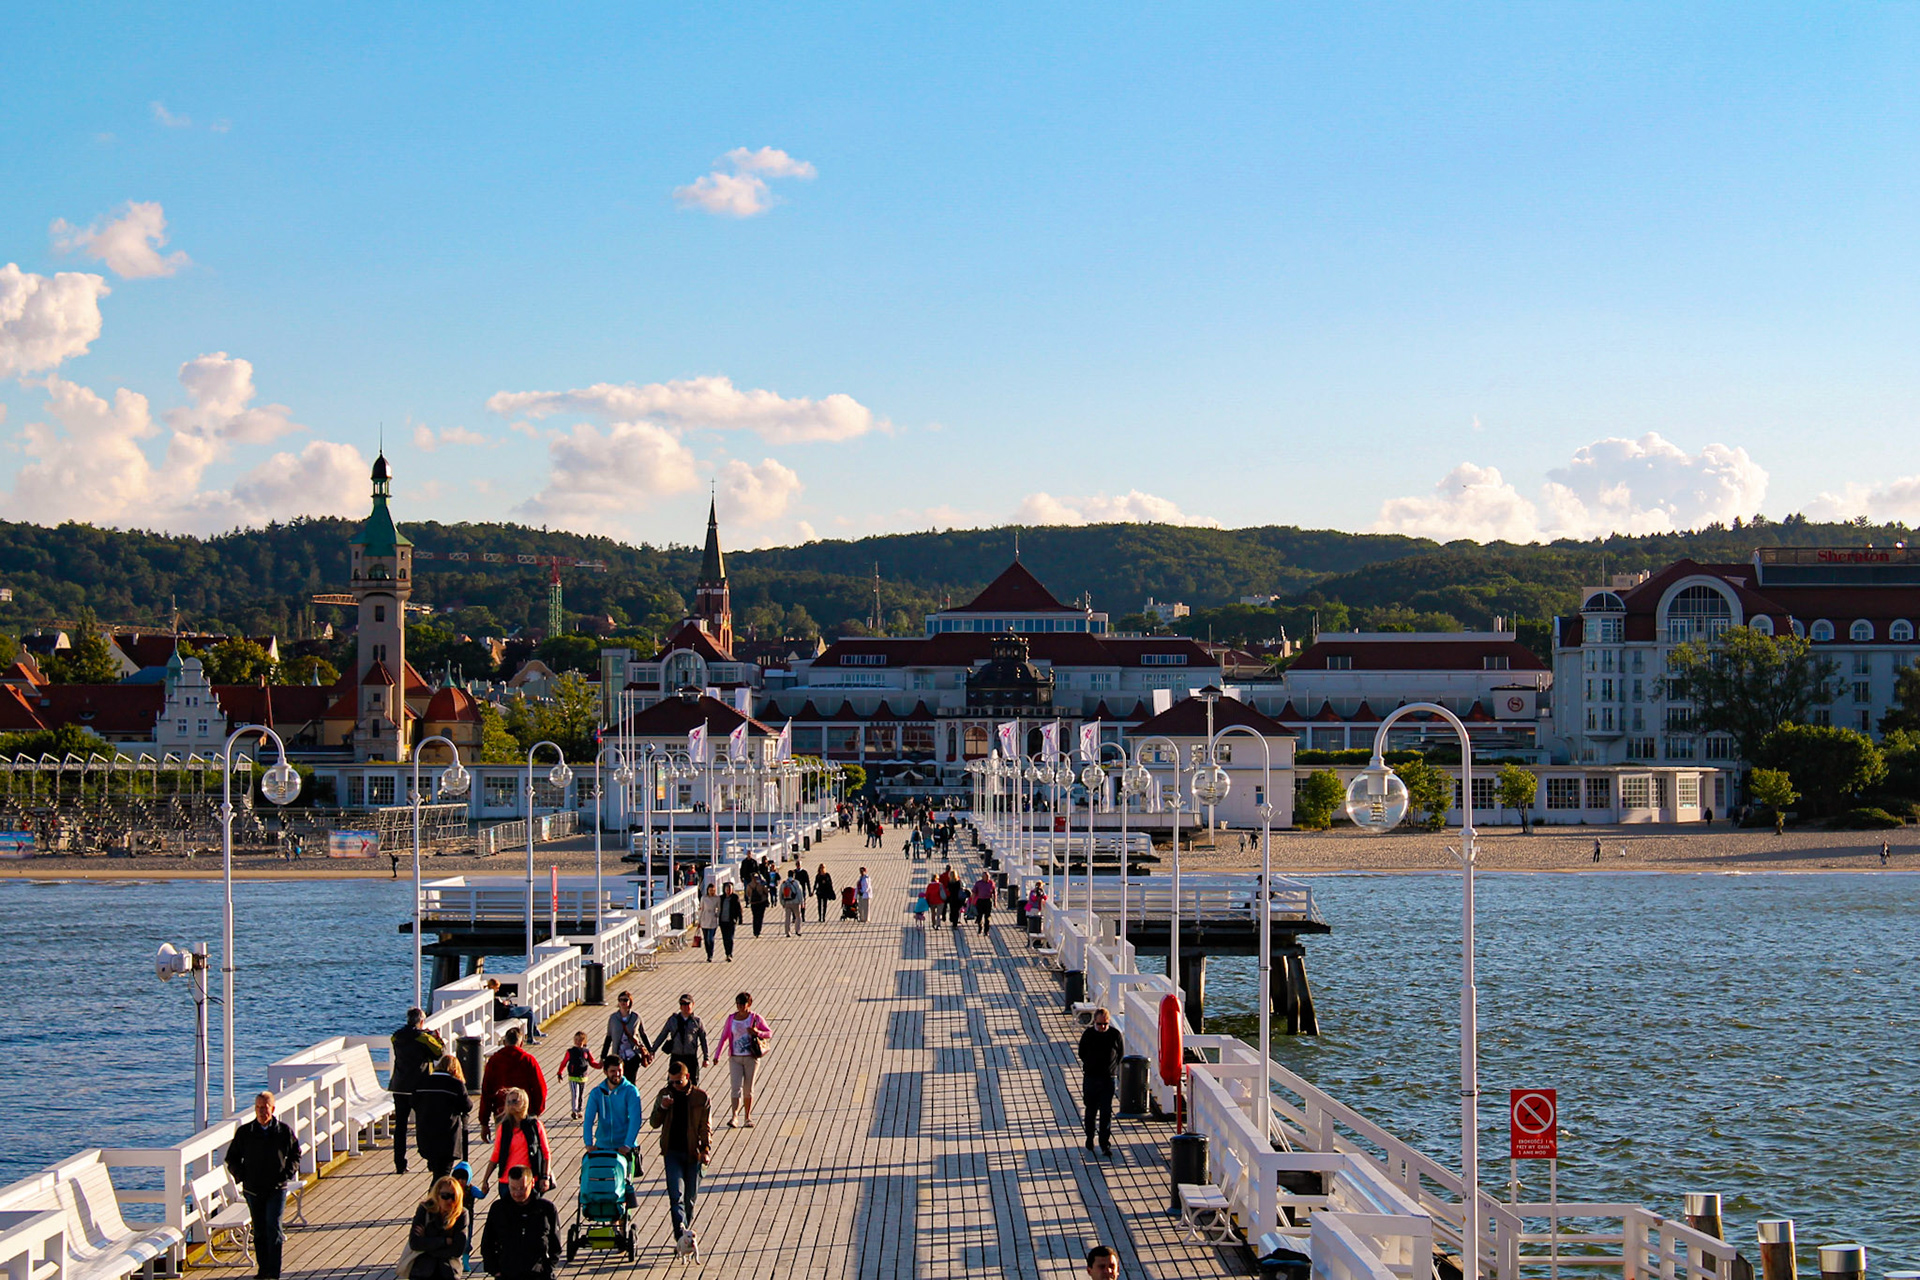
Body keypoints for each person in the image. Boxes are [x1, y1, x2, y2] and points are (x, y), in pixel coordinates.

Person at [224, 1091, 300, 1280]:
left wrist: (286, 1174)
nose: (261, 1112)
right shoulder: (246, 1132)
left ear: (272, 1109)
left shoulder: (283, 1131)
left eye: (264, 1108)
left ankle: (273, 1273)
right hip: (253, 1189)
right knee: (259, 1231)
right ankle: (263, 1269)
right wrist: (242, 1176)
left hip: (276, 1188)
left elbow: (295, 1154)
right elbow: (231, 1158)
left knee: (273, 1228)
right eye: (258, 1108)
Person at [649, 1059, 713, 1256]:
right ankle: (680, 1237)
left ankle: (685, 1232)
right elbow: (653, 1123)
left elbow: (705, 1126)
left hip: (693, 1153)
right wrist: (663, 1108)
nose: (674, 1085)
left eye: (677, 1081)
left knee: (690, 1198)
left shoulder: (700, 1098)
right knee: (676, 1196)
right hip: (672, 1153)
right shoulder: (664, 1095)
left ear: (687, 1077)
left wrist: (706, 1149)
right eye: (671, 1081)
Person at [391, 1008, 446, 1175]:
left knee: (400, 1127)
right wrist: (436, 1037)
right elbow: (439, 1052)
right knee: (424, 1124)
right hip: (419, 1086)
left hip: (399, 1086)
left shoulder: (396, 1036)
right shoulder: (423, 1037)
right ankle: (430, 1161)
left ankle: (400, 1163)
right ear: (421, 1021)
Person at [480, 1166, 560, 1280]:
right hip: (507, 1274)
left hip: (539, 1274)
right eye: (513, 1188)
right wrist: (495, 1271)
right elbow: (487, 1243)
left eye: (522, 1188)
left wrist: (548, 1268)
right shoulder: (499, 1209)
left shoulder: (546, 1209)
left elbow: (555, 1245)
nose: (517, 1193)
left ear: (532, 1183)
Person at [711, 991, 771, 1128]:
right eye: (738, 1004)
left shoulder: (755, 1018)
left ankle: (747, 1117)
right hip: (735, 1057)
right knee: (735, 1087)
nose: (740, 1007)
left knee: (748, 1089)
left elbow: (769, 1033)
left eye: (742, 1004)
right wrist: (717, 1055)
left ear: (749, 1004)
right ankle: (734, 1116)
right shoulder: (731, 1018)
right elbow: (724, 1037)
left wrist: (757, 1032)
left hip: (751, 1057)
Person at [583, 1057, 646, 1181]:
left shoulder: (631, 1091)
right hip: (603, 1146)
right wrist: (589, 1144)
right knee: (601, 1186)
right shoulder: (597, 1093)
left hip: (624, 1147)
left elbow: (635, 1119)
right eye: (612, 1071)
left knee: (626, 1187)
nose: (617, 1074)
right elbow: (588, 1119)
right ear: (605, 1072)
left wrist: (627, 1145)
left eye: (619, 1070)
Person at [479, 1027, 547, 1141]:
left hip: (502, 1112)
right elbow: (540, 1088)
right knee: (524, 1148)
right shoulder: (528, 1060)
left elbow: (486, 1092)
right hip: (524, 1111)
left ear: (505, 1042)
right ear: (521, 1043)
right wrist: (536, 1111)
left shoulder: (494, 1061)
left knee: (504, 1150)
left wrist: (484, 1122)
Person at [479, 1087, 551, 1195]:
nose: (511, 1104)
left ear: (524, 1102)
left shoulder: (535, 1125)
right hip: (507, 1181)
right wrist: (485, 1179)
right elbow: (496, 1155)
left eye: (515, 1101)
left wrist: (545, 1177)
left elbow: (546, 1154)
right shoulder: (504, 1128)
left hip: (530, 1181)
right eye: (508, 1101)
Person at [413, 1054, 473, 1178]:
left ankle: (434, 1193)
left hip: (426, 1135)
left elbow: (413, 1102)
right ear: (455, 1070)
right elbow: (467, 1106)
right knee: (442, 1176)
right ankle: (432, 1197)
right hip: (447, 1138)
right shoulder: (455, 1085)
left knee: (438, 1171)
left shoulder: (422, 1082)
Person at [1077, 1007, 1125, 1157]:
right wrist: (1090, 1065)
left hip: (1108, 1079)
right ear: (1094, 1022)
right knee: (1090, 1110)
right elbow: (1081, 1052)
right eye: (1099, 1024)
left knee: (1106, 1112)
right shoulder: (1088, 1034)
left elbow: (1120, 1054)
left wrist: (1112, 1069)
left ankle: (1105, 1144)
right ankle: (1090, 1137)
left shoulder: (1115, 1035)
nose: (1102, 1027)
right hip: (1091, 1077)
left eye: (1105, 1024)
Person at [407, 1176, 471, 1280]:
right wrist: (445, 1241)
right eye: (445, 1196)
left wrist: (427, 1242)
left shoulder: (461, 1214)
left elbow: (457, 1249)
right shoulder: (425, 1209)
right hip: (422, 1272)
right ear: (437, 1195)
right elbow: (415, 1243)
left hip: (448, 1271)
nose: (449, 1200)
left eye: (453, 1196)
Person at [653, 993, 709, 1086]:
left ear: (693, 1004)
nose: (685, 1007)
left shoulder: (697, 1021)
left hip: (691, 1057)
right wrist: (653, 1050)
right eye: (683, 1004)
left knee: (692, 1083)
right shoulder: (673, 1020)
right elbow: (662, 1035)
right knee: (673, 1084)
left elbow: (703, 1040)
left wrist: (706, 1057)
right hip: (676, 1056)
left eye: (688, 1004)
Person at [601, 991, 652, 1083]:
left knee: (631, 1081)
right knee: (618, 1081)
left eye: (625, 1000)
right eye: (620, 1000)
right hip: (618, 1056)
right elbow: (608, 1037)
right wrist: (603, 1056)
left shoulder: (636, 1017)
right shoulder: (613, 1018)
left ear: (630, 1002)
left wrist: (650, 1050)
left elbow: (643, 1034)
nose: (623, 1002)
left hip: (632, 1055)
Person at [556, 1032, 599, 1119]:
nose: (578, 1042)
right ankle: (574, 1111)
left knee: (581, 1095)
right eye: (576, 1040)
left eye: (580, 1040)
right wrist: (560, 1072)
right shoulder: (570, 1051)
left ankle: (579, 1110)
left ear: (584, 1041)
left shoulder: (586, 1052)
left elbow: (592, 1062)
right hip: (573, 1076)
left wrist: (601, 1066)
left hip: (583, 1077)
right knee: (575, 1094)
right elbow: (564, 1062)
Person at [486, 979, 541, 1045]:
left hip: (505, 1012)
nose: (498, 990)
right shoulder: (490, 996)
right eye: (497, 988)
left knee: (530, 1014)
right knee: (529, 1008)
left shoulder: (491, 995)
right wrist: (504, 1003)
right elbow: (497, 1008)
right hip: (506, 1013)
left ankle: (531, 1037)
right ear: (492, 986)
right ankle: (534, 1032)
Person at [717, 883, 743, 960]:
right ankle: (727, 953)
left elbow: (739, 909)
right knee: (725, 938)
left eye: (730, 889)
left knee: (730, 937)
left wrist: (740, 919)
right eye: (727, 889)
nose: (728, 891)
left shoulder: (735, 897)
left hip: (731, 921)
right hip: (723, 921)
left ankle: (730, 953)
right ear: (724, 890)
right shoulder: (721, 898)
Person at [698, 884, 722, 960]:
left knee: (710, 938)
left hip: (712, 919)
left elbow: (719, 908)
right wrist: (699, 921)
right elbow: (701, 909)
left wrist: (717, 914)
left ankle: (711, 954)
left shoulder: (717, 898)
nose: (712, 892)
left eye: (713, 890)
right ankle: (708, 953)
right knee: (705, 939)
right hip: (705, 918)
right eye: (710, 890)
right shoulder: (704, 898)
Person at [779, 871, 806, 936]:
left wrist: (782, 903)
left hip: (787, 902)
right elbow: (800, 893)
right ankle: (797, 930)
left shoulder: (784, 883)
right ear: (794, 875)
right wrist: (802, 902)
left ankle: (787, 932)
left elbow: (780, 894)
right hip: (795, 902)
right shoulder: (796, 883)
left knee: (787, 918)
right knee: (798, 916)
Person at [747, 873, 771, 938]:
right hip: (761, 902)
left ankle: (755, 931)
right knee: (760, 917)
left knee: (755, 917)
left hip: (753, 903)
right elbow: (766, 891)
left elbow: (748, 894)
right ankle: (758, 932)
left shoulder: (749, 885)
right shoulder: (761, 884)